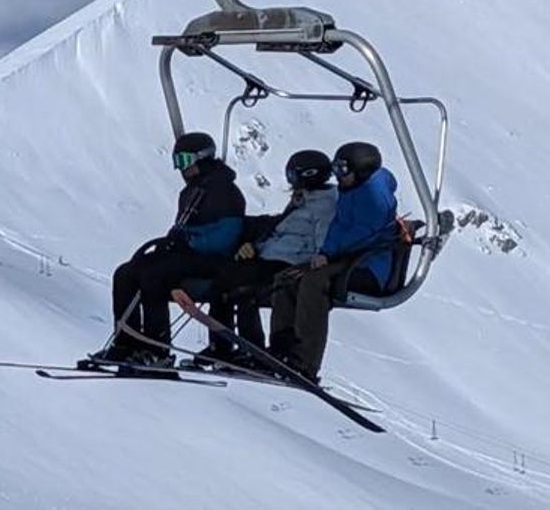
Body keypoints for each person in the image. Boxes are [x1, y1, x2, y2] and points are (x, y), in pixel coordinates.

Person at [92, 132, 245, 367]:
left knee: (155, 275)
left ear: (202, 158)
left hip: (214, 260)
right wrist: (175, 239)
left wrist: (189, 242)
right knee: (126, 273)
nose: (180, 169)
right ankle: (126, 343)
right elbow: (183, 226)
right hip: (187, 255)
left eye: (184, 161)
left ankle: (157, 348)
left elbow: (226, 237)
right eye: (177, 163)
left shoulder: (224, 191)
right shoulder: (191, 192)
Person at [193, 150, 338, 366]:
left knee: (240, 286)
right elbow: (281, 230)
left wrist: (313, 261)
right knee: (226, 279)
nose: (291, 183)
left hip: (290, 261)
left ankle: (250, 349)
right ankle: (224, 346)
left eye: (293, 176)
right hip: (272, 255)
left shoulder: (325, 205)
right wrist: (254, 246)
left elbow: (321, 242)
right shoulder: (304, 199)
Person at [269, 141, 399, 381]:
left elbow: (363, 231)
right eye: (336, 170)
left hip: (368, 266)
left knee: (312, 282)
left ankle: (305, 362)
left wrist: (328, 254)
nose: (338, 177)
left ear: (360, 171)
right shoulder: (350, 191)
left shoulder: (375, 194)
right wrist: (325, 251)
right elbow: (338, 227)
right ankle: (279, 350)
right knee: (287, 277)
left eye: (343, 171)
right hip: (345, 259)